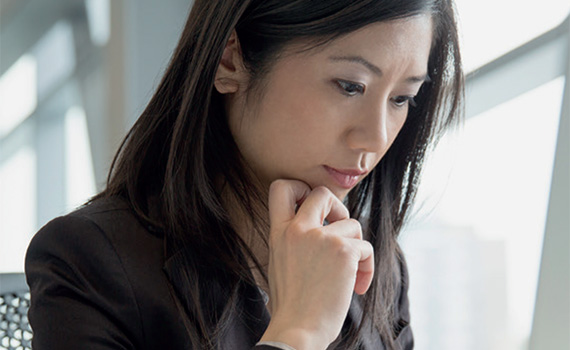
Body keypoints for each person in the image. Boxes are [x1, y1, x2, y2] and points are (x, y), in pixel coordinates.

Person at [25, 0, 463, 349]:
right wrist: (297, 335)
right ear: (230, 61)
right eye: (350, 86)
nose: (376, 136)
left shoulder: (373, 262)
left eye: (403, 98)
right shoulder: (90, 262)